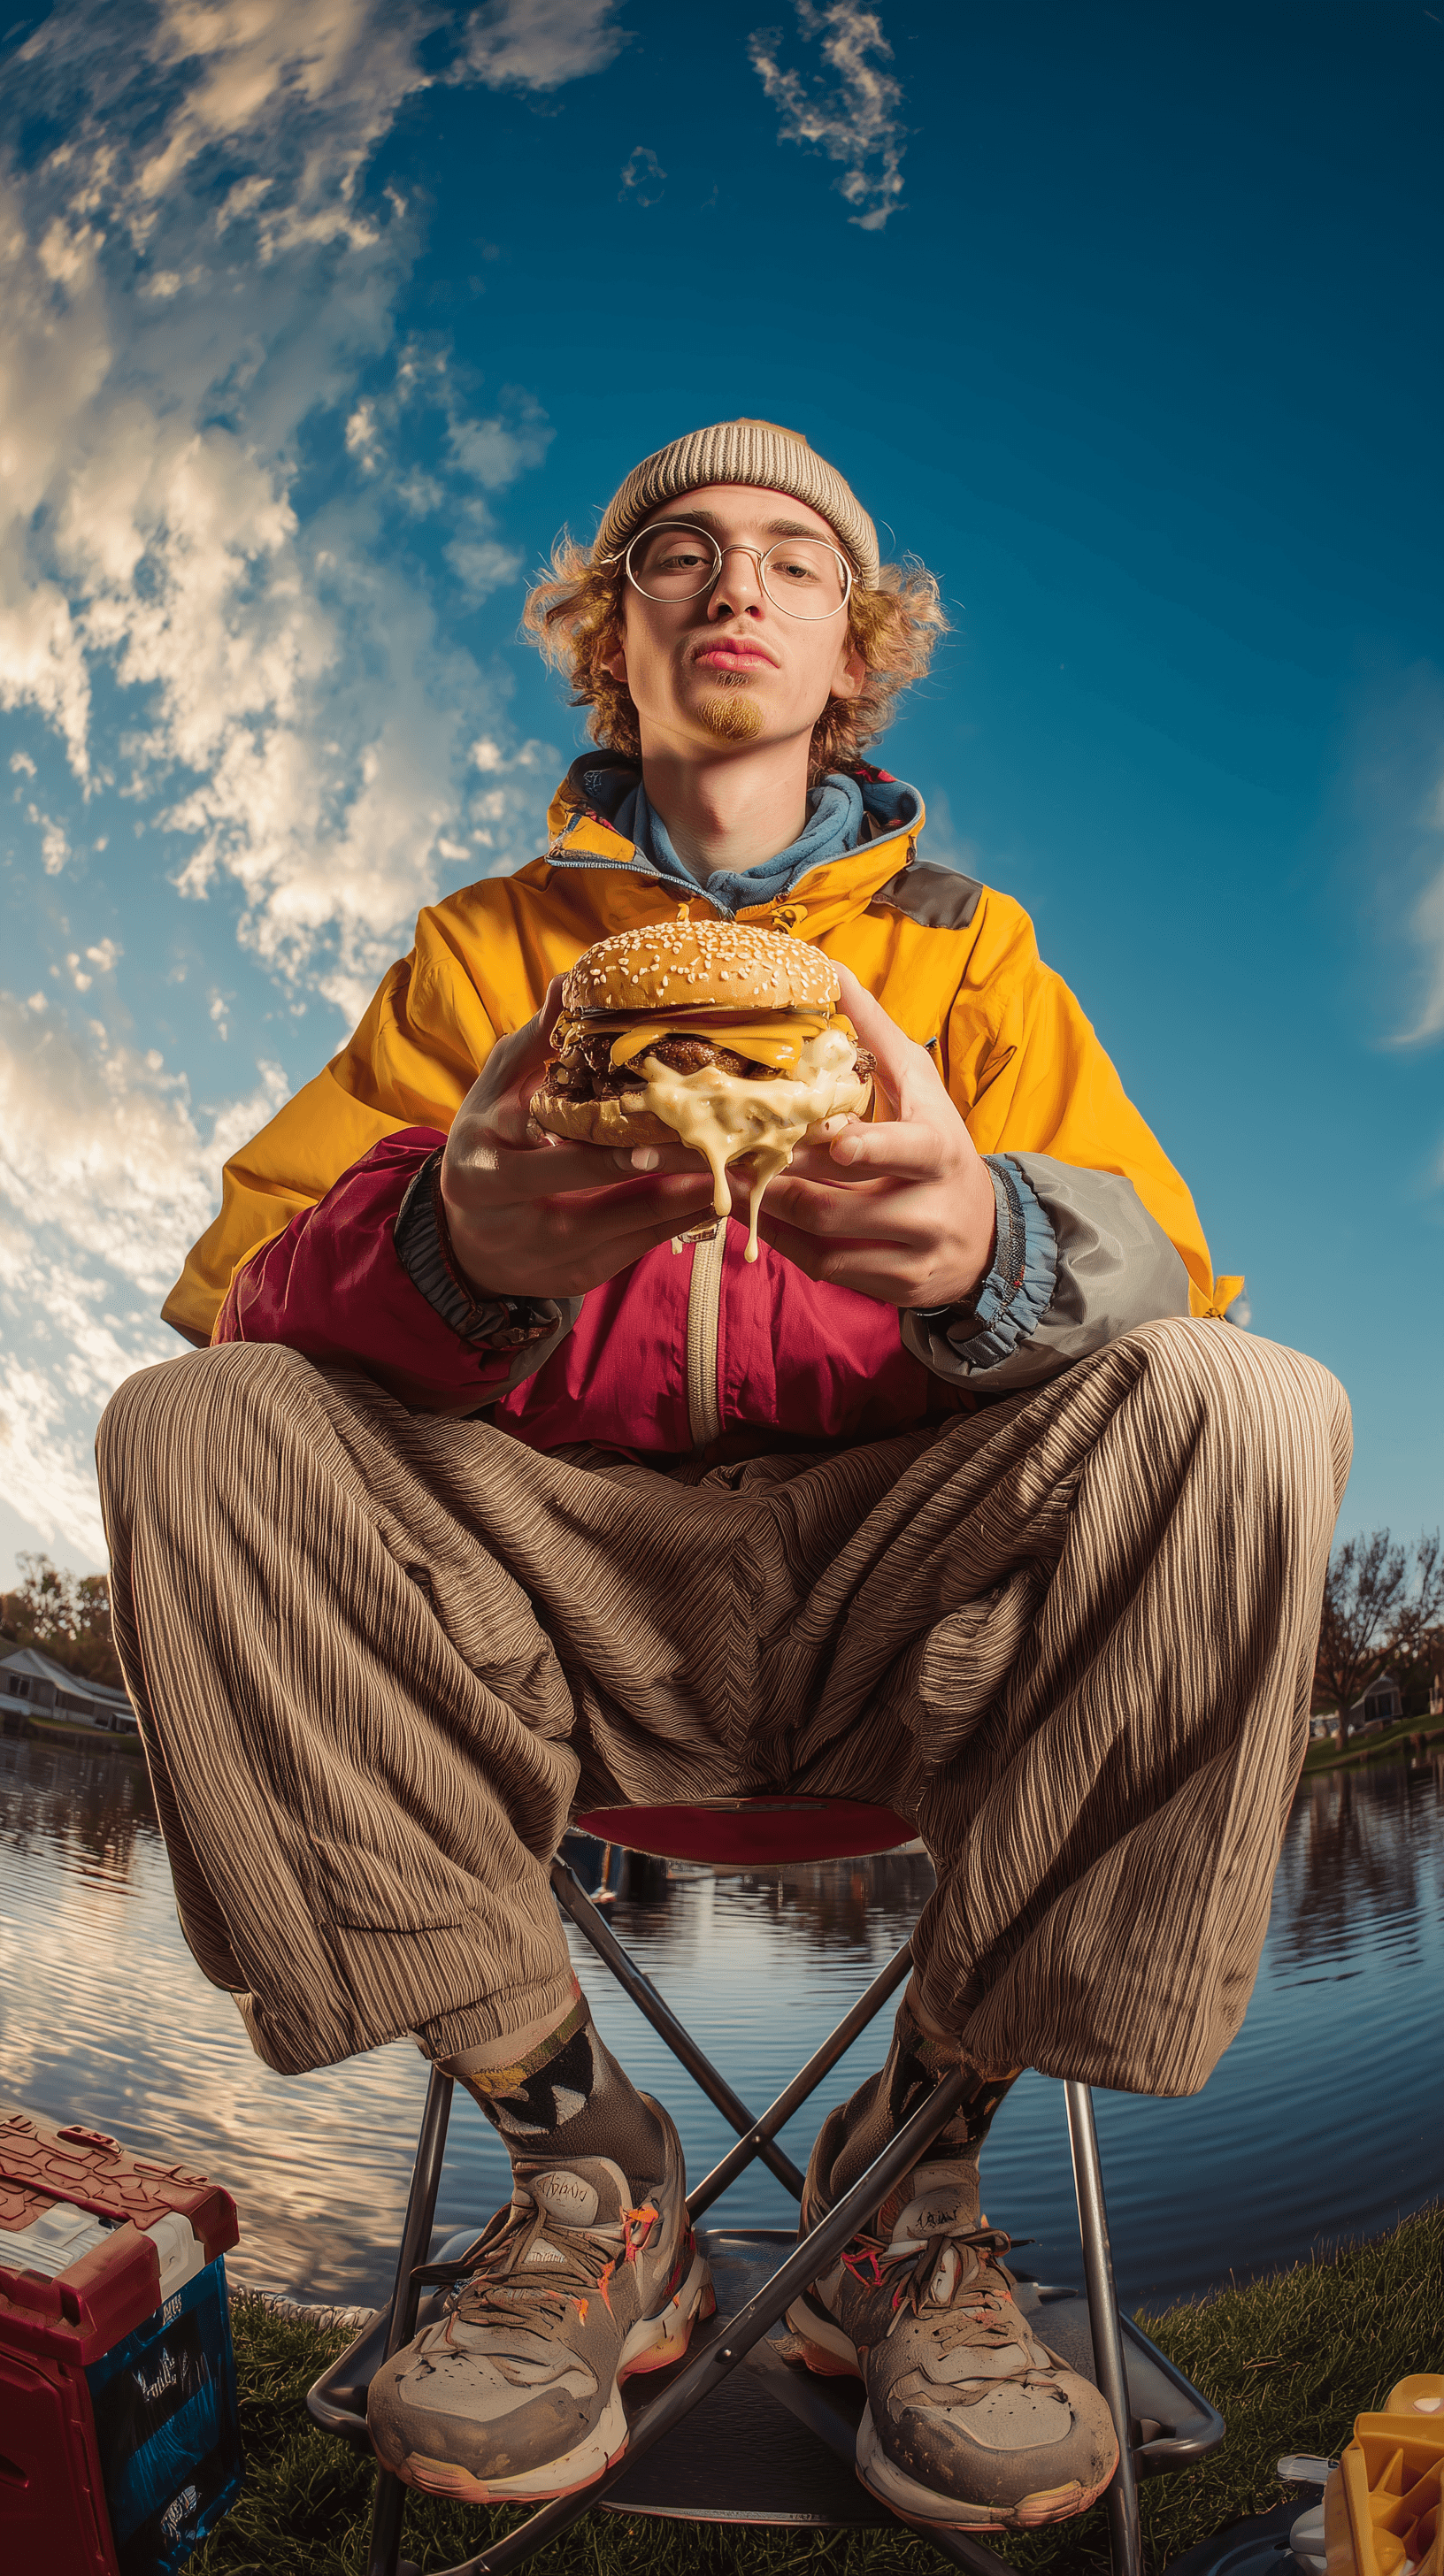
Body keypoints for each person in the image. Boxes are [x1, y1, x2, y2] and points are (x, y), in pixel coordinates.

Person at [96, 418, 1350, 2537]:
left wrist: (995, 1251)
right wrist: (449, 1247)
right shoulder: (484, 952)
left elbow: (1177, 1292)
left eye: (792, 553)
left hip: (906, 1604)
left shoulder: (973, 952)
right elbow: (239, 1291)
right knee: (188, 1428)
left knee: (1255, 1407)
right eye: (678, 550)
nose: (735, 581)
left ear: (857, 645)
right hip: (540, 1602)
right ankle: (583, 2159)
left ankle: (915, 2182)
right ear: (615, 634)